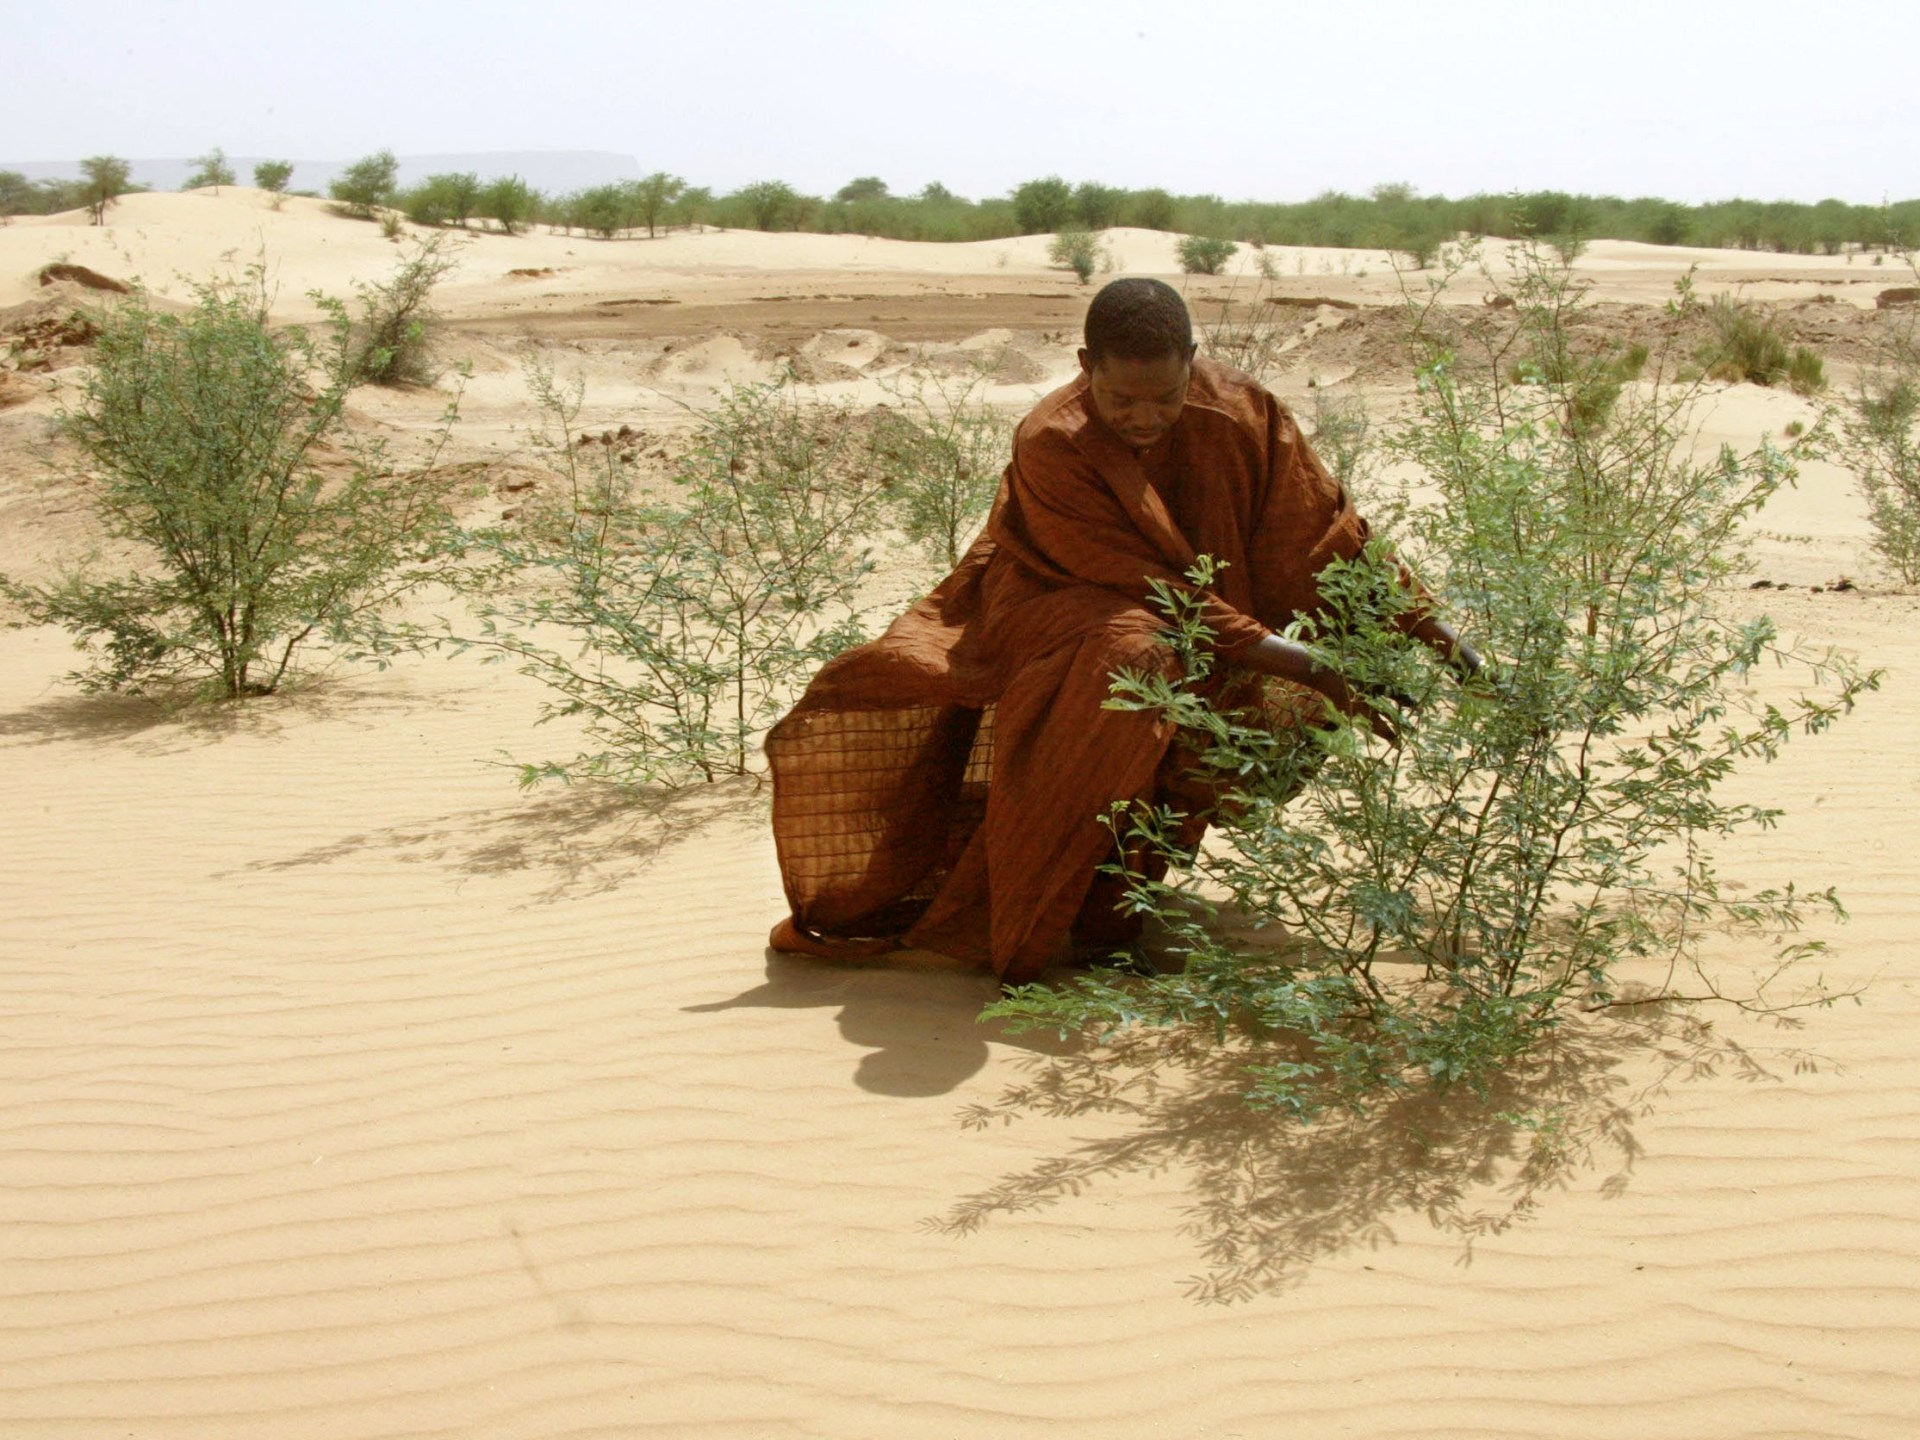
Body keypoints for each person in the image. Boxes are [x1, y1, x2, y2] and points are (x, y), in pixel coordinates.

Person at [764, 278, 1478, 985]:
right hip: (1062, 604)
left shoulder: (1241, 412)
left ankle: (1121, 895)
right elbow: (1148, 589)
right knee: (1130, 667)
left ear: (1193, 360)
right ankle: (1072, 918)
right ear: (1085, 367)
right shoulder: (1052, 440)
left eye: (1166, 397)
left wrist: (1435, 632)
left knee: (1228, 715)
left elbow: (1324, 534)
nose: (1145, 417)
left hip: (1188, 617)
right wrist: (1310, 663)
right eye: (1121, 399)